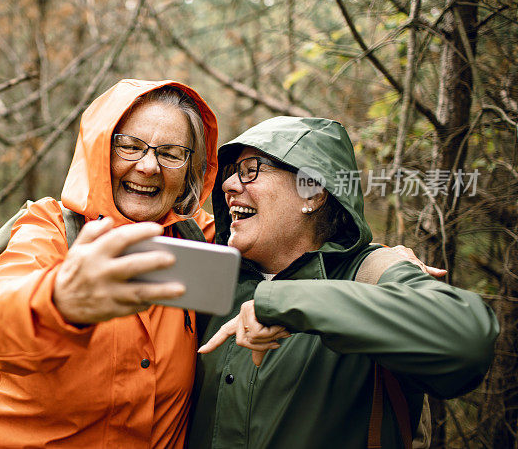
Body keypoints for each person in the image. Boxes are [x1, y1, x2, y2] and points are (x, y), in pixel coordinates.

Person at [188, 116, 499, 448]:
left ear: (313, 193)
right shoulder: (213, 278)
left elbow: (469, 341)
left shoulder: (371, 275)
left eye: (251, 170)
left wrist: (286, 303)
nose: (229, 185)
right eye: (231, 171)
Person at [0, 79, 219, 448]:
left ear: (190, 167)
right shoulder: (49, 227)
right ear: (99, 150)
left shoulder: (200, 240)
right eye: (129, 147)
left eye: (171, 153)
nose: (148, 166)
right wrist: (60, 300)